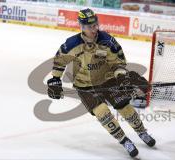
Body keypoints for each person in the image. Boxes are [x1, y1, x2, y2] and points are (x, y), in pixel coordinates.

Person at [47, 8, 156, 158]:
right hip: (84, 84)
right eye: (90, 26)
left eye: (96, 25)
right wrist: (55, 79)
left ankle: (142, 132)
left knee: (124, 106)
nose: (94, 29)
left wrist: (122, 77)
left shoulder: (107, 41)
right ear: (82, 27)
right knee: (102, 112)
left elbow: (118, 63)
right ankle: (124, 141)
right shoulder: (71, 44)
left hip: (107, 80)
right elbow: (60, 60)